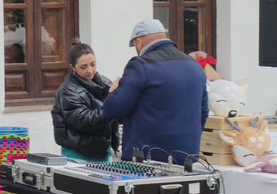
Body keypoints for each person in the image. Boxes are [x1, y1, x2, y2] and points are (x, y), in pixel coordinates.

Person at [102, 18, 208, 161]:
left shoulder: (141, 65)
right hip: (186, 156)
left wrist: (112, 92)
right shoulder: (194, 67)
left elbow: (114, 109)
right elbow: (203, 112)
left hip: (147, 159)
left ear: (138, 42)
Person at [51, 40, 117, 162]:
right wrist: (113, 100)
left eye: (93, 64)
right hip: (78, 156)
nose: (90, 71)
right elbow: (85, 120)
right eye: (83, 67)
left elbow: (116, 115)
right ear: (72, 67)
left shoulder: (104, 82)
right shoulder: (68, 91)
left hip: (103, 152)